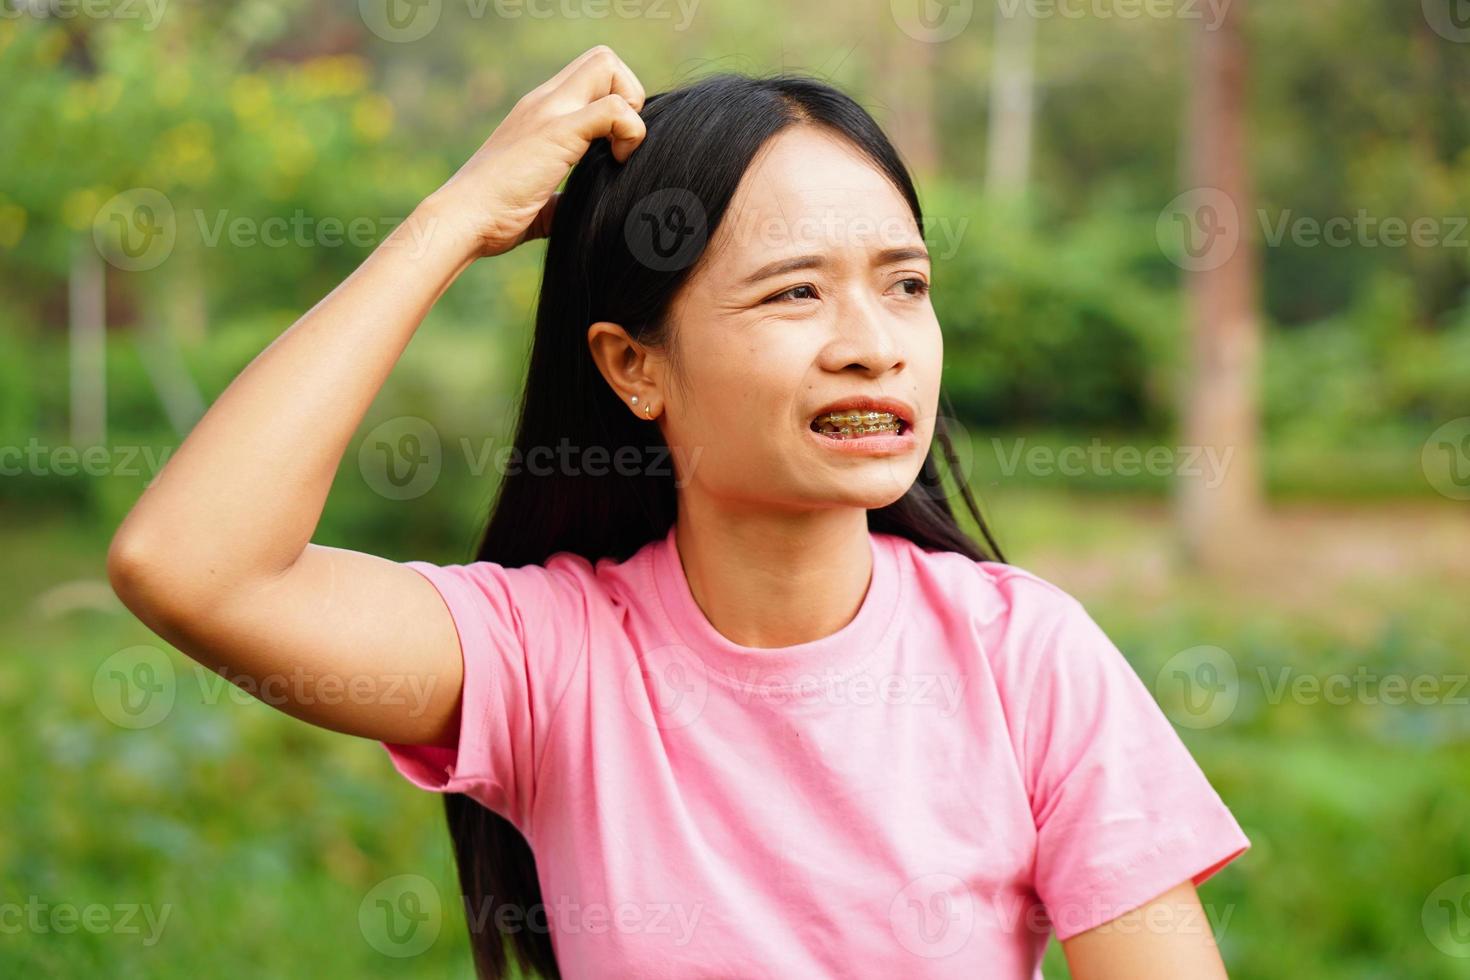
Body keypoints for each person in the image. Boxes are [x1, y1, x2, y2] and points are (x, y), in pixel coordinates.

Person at [108, 44, 1249, 980]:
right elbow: (189, 565)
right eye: (796, 290)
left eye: (905, 284)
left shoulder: (1025, 655)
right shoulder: (552, 658)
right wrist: (456, 217)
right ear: (633, 365)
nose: (873, 343)